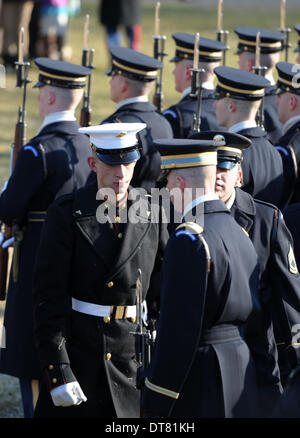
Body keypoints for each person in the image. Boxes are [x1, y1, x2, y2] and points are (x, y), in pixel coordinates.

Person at [32, 123, 169, 418]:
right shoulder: (66, 213)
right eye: (111, 163)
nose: (120, 174)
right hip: (84, 354)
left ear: (136, 162)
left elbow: (164, 288)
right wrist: (59, 369)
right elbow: (48, 298)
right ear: (93, 163)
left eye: (127, 163)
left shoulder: (153, 210)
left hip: (134, 356)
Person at [141, 136, 269, 418]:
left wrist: (157, 391)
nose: (168, 192)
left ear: (181, 184)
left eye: (168, 183)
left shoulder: (189, 238)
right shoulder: (237, 229)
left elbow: (179, 329)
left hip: (201, 377)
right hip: (240, 369)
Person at [0, 57, 92, 418]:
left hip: (38, 262)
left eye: (42, 93)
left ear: (50, 98)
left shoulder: (37, 151)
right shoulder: (89, 148)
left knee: (32, 352)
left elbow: (8, 209)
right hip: (80, 268)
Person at [193, 130, 300, 392]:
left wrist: (295, 364)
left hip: (254, 357)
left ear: (239, 176)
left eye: (225, 167)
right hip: (198, 357)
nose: (216, 175)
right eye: (210, 167)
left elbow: (289, 300)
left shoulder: (266, 220)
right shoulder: (183, 216)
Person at [99, 46, 173, 192]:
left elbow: (102, 177)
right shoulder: (164, 121)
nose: (110, 82)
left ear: (123, 85)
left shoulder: (115, 125)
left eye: (113, 76)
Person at [213, 66, 285, 209]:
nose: (214, 105)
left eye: (218, 98)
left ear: (231, 106)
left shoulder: (231, 153)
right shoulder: (273, 151)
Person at [162, 32, 227, 138]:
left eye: (176, 66)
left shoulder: (175, 116)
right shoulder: (229, 111)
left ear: (188, 72)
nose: (173, 72)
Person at [234, 26, 285, 144]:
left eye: (239, 58)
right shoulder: (286, 99)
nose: (237, 62)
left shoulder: (249, 105)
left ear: (250, 63)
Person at [274, 61, 300, 206]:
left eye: (279, 96)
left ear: (291, 102)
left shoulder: (288, 147)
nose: (276, 103)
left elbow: (280, 202)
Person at [1, 0, 34, 71]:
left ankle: (23, 59)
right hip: (8, 2)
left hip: (25, 1)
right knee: (8, 28)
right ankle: (8, 60)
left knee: (21, 28)